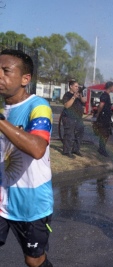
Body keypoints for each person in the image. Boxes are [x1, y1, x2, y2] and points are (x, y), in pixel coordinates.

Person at [0, 49, 54, 267]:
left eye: (5, 71)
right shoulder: (3, 109)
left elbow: (37, 148)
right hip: (3, 198)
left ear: (25, 79)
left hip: (32, 204)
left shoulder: (38, 106)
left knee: (34, 261)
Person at [61, 80, 86, 158]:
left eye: (78, 87)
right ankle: (66, 151)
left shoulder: (78, 95)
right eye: (76, 86)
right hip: (69, 118)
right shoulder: (67, 95)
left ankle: (75, 149)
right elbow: (66, 106)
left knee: (79, 134)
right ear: (71, 86)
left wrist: (80, 94)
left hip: (78, 118)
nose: (77, 88)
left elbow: (84, 101)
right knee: (69, 134)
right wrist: (74, 97)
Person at [96, 81, 113, 157]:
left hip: (107, 117)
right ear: (110, 87)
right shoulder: (104, 95)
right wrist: (97, 114)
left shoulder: (107, 95)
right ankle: (102, 149)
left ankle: (102, 148)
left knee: (106, 133)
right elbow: (101, 105)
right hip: (103, 118)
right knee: (104, 133)